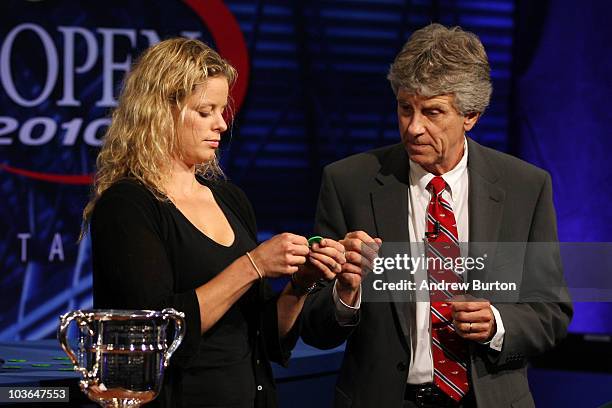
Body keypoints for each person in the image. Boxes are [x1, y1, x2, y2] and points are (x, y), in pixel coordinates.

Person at [300, 23, 572, 408]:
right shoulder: (348, 183)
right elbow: (314, 325)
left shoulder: (525, 187)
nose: (414, 128)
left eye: (432, 112)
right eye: (404, 108)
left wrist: (498, 324)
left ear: (471, 114)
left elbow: (551, 311)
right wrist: (346, 293)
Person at [81, 38, 347, 408]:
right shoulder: (128, 205)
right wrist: (253, 265)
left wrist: (300, 284)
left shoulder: (229, 198)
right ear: (161, 112)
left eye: (223, 111)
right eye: (206, 111)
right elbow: (157, 332)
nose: (221, 125)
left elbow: (266, 337)